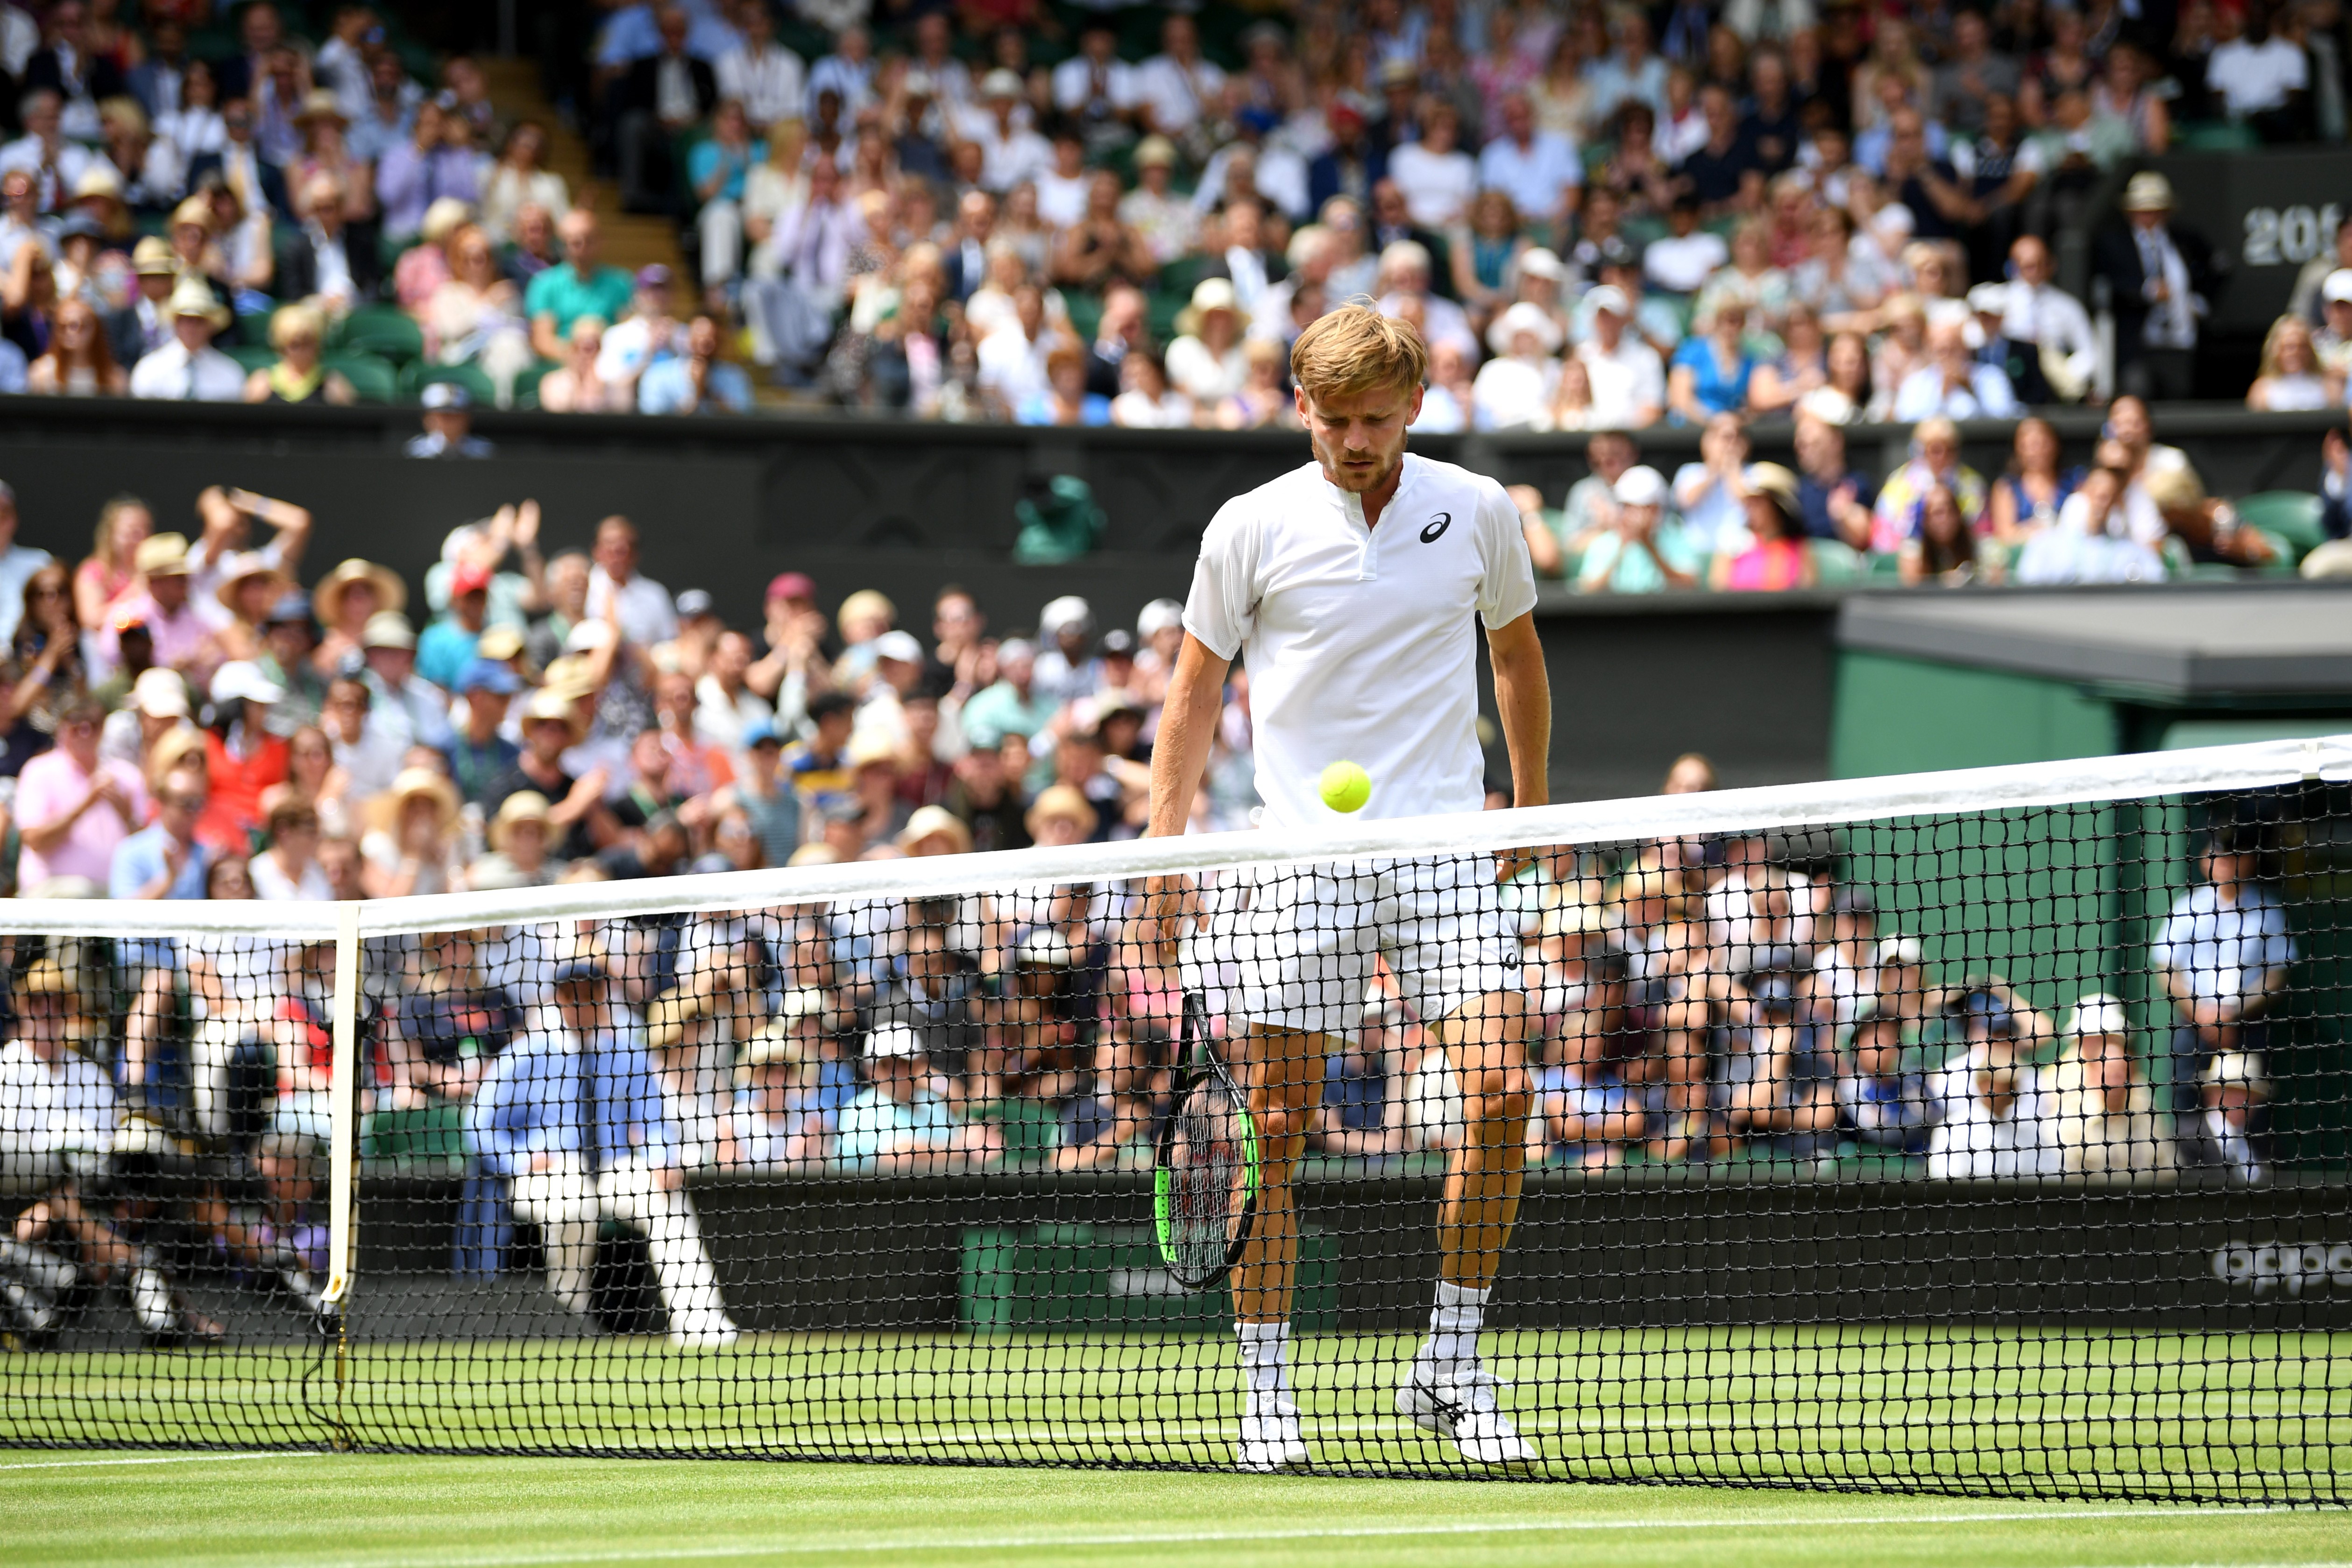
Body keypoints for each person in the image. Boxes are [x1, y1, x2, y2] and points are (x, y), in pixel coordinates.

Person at [1147, 305, 1548, 1471]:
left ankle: (1450, 1360)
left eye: (1375, 420)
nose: (1354, 441)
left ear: (1413, 407)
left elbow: (1515, 657)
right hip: (1296, 861)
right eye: (1333, 421)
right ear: (1298, 407)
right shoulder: (1249, 525)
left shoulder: (1475, 508)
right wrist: (1167, 853)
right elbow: (1190, 696)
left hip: (1441, 855)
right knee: (1275, 1129)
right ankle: (1266, 1389)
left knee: (1502, 1094)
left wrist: (1531, 805)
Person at [468, 933, 738, 1347]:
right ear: (558, 997)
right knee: (571, 1204)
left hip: (615, 1167)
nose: (581, 1002)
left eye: (589, 992)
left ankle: (701, 1323)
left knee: (666, 1199)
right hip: (553, 1169)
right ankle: (568, 1323)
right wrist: (520, 1158)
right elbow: (479, 1125)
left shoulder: (626, 1052)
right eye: (572, 993)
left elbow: (654, 1120)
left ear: (602, 995)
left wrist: (661, 1157)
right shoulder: (526, 1055)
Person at [2152, 824, 2295, 1163]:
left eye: (2234, 858)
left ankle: (2254, 1171)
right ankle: (2189, 1169)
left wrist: (2234, 1012)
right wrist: (2202, 1013)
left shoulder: (2267, 909)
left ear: (2247, 863)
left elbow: (2277, 974)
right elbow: (2166, 970)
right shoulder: (2188, 907)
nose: (2226, 865)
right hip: (2193, 1026)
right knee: (2185, 1095)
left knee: (2252, 1100)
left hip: (2248, 1026)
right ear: (2205, 862)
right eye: (2218, 858)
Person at [2094, 171, 2222, 403]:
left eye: (2155, 210)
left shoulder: (2186, 239)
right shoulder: (2114, 244)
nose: (2149, 217)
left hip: (2180, 340)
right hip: (2138, 342)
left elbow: (2217, 269)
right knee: (2138, 392)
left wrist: (2199, 302)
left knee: (2180, 396)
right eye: (2142, 211)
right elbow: (2109, 285)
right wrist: (2147, 292)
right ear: (2130, 213)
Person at [2043, 993, 2176, 1181]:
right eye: (2103, 1036)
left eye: (2114, 1036)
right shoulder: (2056, 1079)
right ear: (2082, 1040)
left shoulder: (2134, 1080)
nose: (2112, 1042)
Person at [127, 276, 242, 401]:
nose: (191, 328)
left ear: (210, 325)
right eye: (185, 320)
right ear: (175, 323)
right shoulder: (149, 370)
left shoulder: (230, 374)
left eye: (199, 321)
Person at [406, 382, 495, 458]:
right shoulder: (414, 452)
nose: (449, 421)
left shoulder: (484, 451)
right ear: (426, 418)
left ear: (468, 418)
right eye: (442, 415)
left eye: (456, 415)